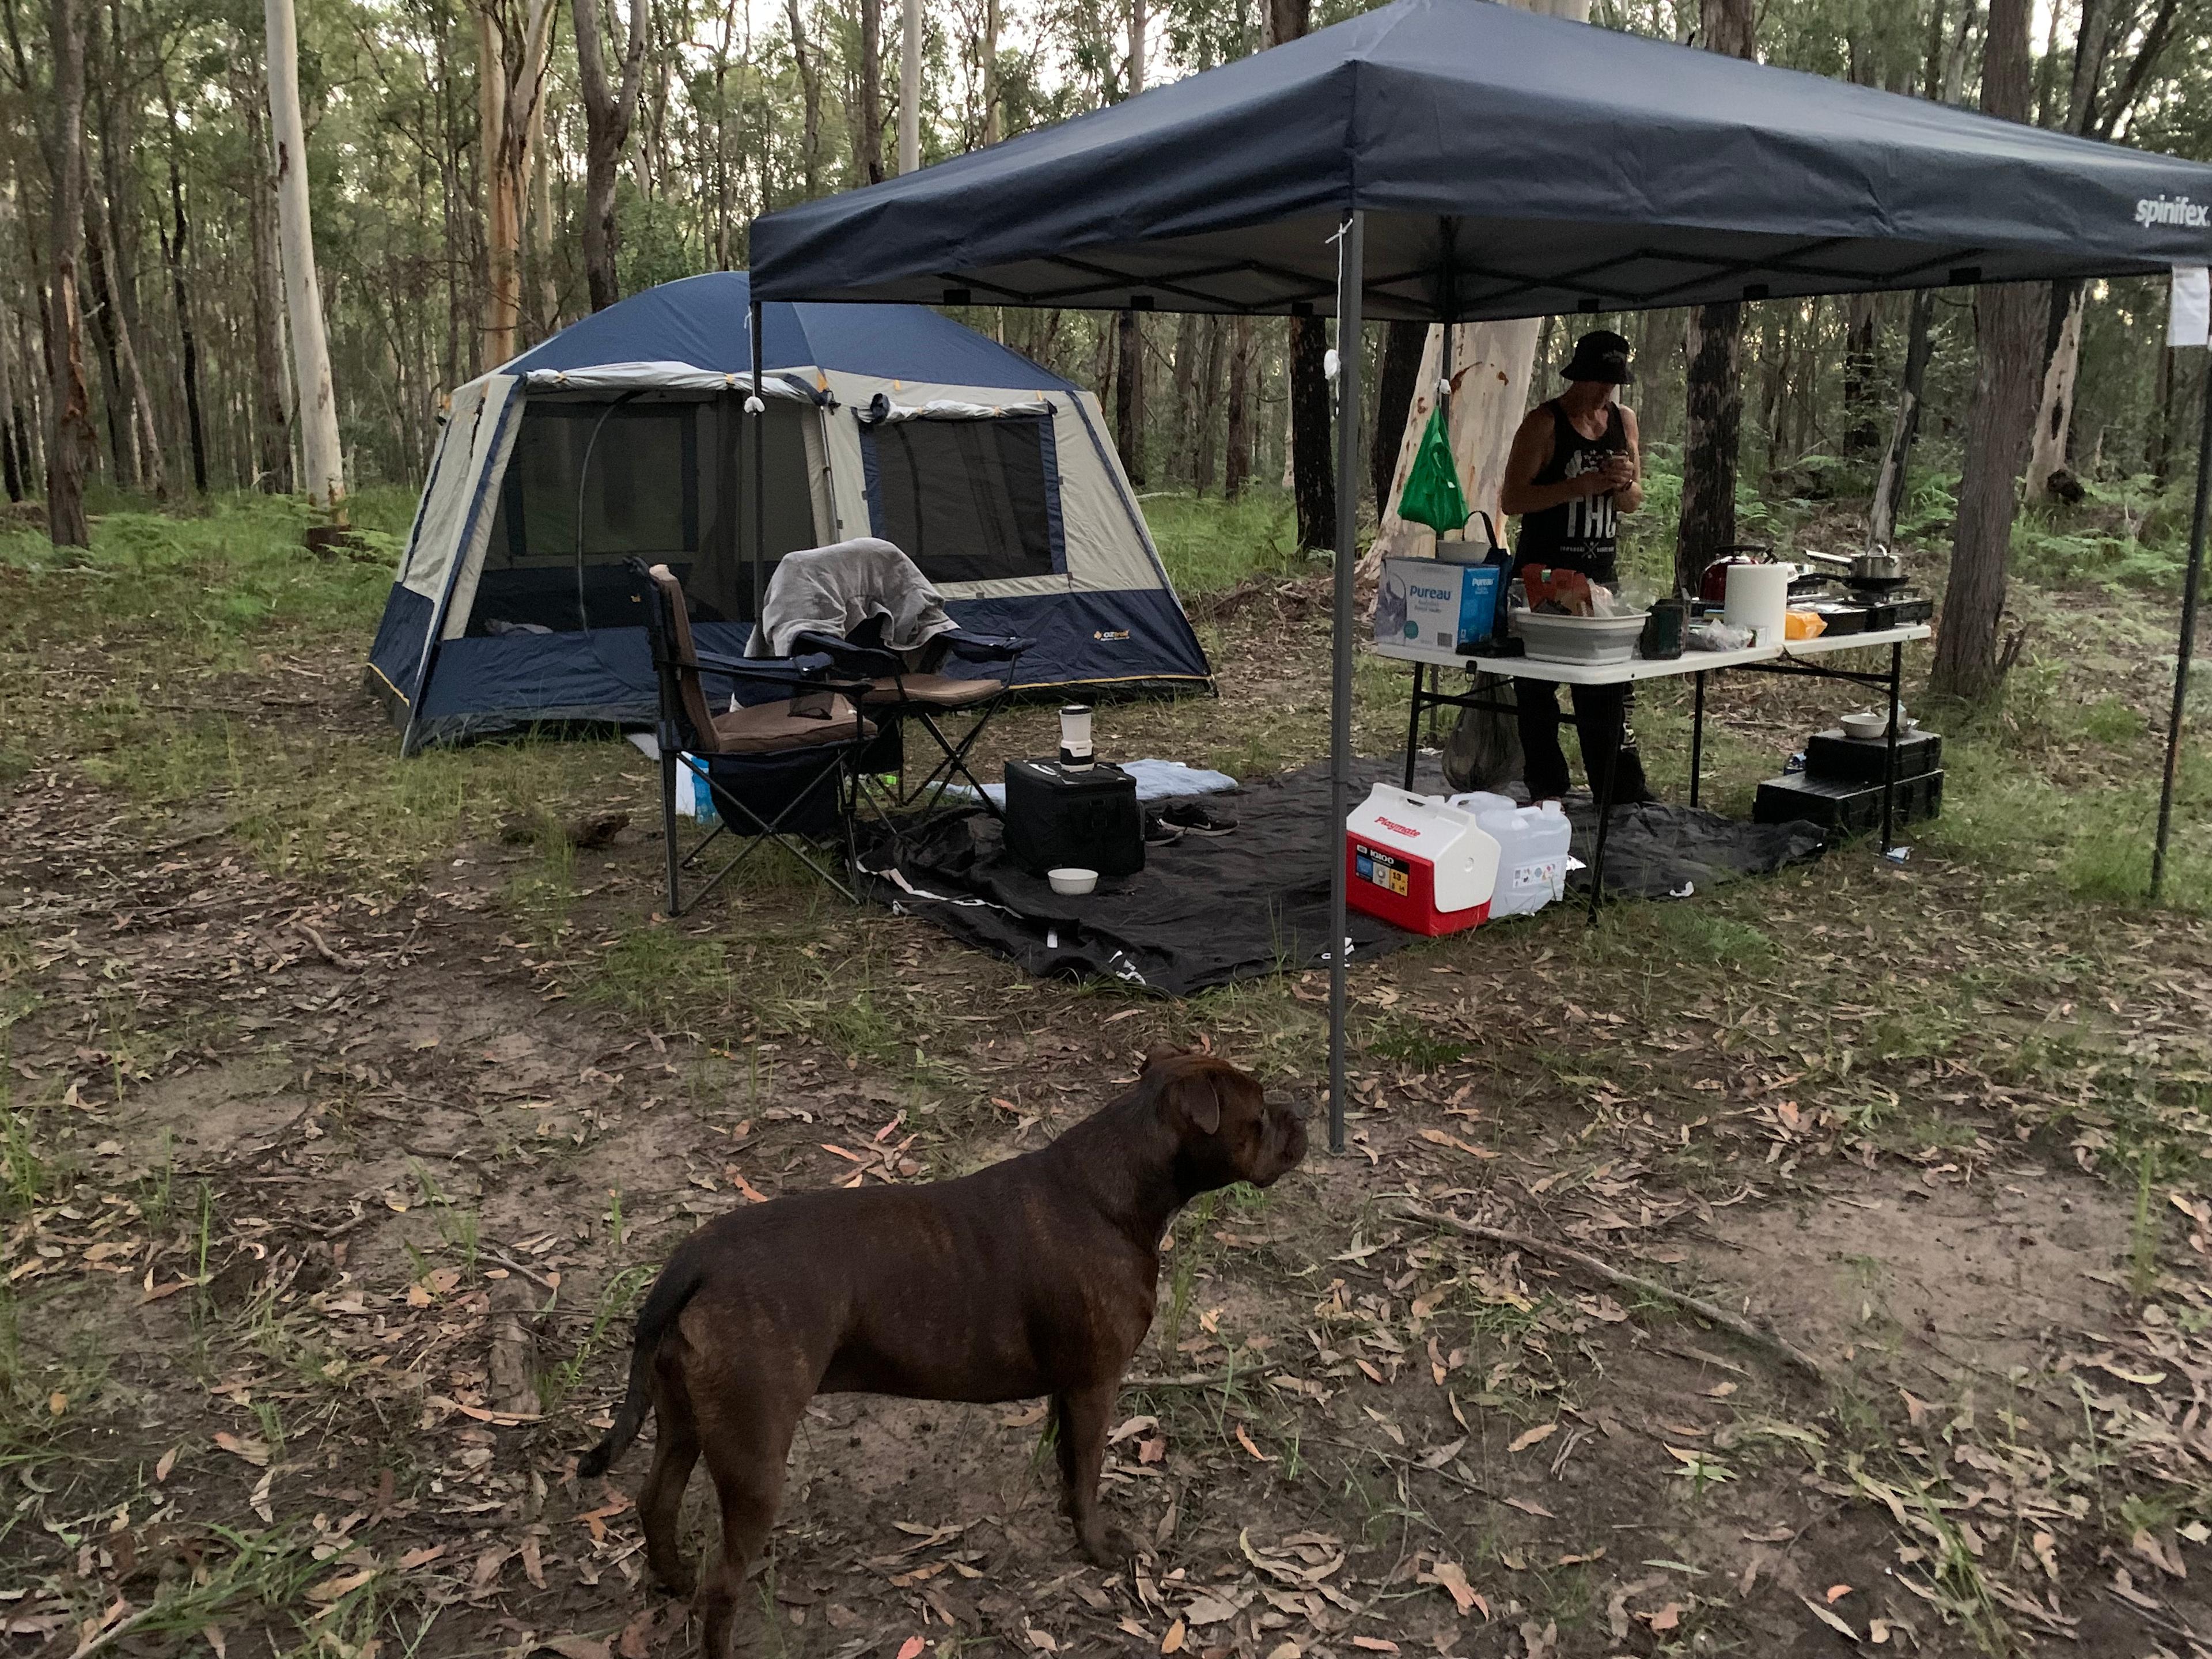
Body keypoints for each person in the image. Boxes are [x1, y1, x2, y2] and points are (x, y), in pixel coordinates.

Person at [1498, 328, 1651, 806]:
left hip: (1599, 576)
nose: (1606, 392)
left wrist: (1622, 484)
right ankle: (1547, 789)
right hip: (1545, 575)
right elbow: (1512, 499)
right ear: (1578, 375)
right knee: (1538, 688)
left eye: (1614, 382)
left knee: (1605, 685)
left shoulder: (1623, 422)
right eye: (1599, 381)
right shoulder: (1544, 423)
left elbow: (1632, 502)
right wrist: (1577, 487)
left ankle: (1617, 789)